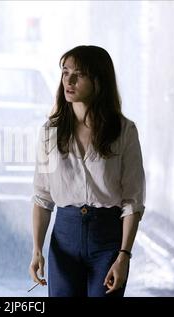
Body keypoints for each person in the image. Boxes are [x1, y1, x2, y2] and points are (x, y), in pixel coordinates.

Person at [28, 45, 145, 297]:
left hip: (107, 241)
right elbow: (42, 197)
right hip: (64, 238)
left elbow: (132, 201)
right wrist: (37, 248)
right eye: (65, 72)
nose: (68, 80)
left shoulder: (125, 131)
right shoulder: (50, 132)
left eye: (78, 74)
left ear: (98, 81)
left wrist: (123, 256)